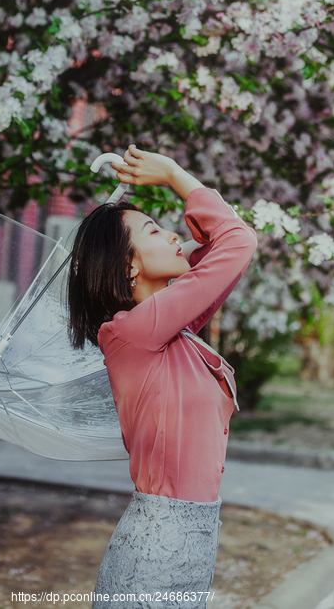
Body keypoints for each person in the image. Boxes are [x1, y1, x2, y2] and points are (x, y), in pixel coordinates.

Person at [68, 145, 258, 609]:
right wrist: (174, 174)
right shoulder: (131, 333)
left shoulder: (175, 333)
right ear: (129, 265)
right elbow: (239, 241)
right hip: (150, 564)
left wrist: (177, 242)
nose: (173, 234)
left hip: (190, 553)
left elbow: (219, 249)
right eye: (154, 230)